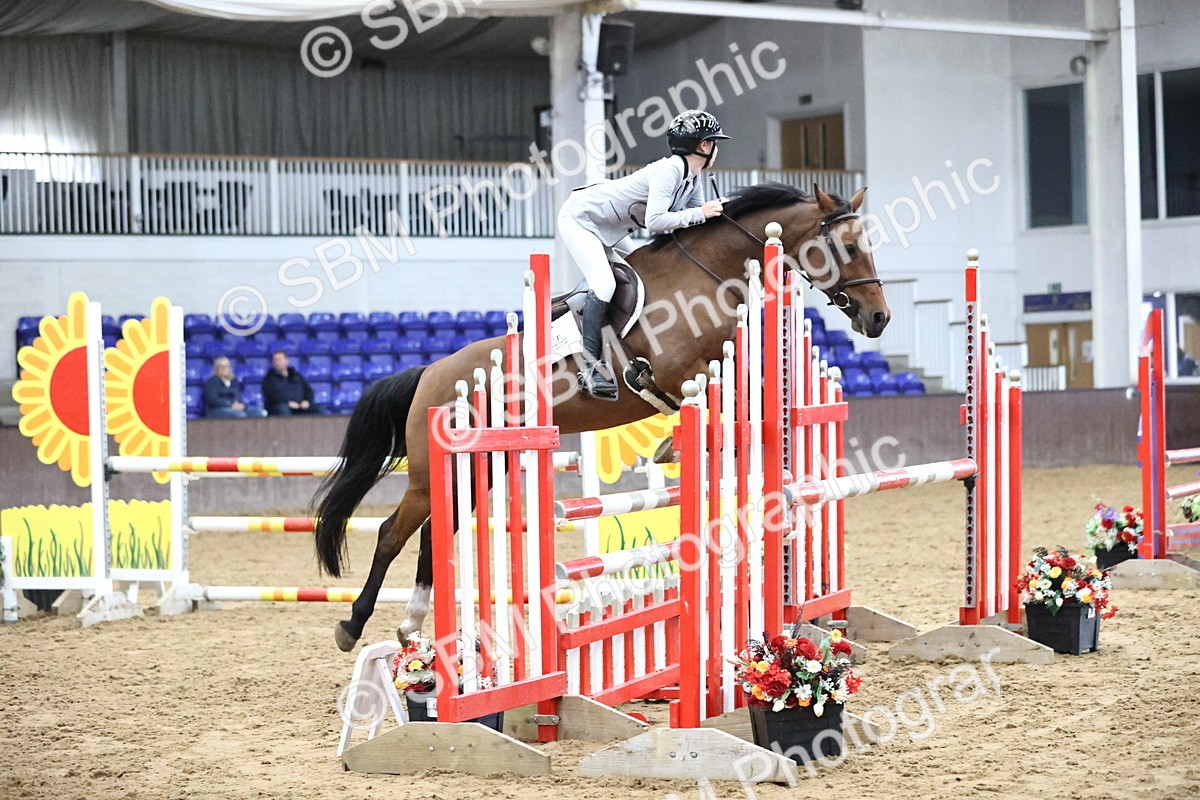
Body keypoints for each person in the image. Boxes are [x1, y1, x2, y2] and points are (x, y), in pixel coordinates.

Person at [557, 109, 730, 399]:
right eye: (714, 142)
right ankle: (590, 367)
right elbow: (656, 222)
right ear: (703, 146)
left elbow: (693, 222)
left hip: (609, 230)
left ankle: (627, 349)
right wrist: (701, 212)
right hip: (581, 219)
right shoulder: (670, 170)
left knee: (643, 275)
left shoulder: (692, 178)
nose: (716, 149)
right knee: (604, 284)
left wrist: (721, 214)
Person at [262, 350, 323, 415]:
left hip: (300, 407)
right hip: (281, 407)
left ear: (286, 361)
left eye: (279, 360)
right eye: (275, 360)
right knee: (283, 408)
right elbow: (271, 397)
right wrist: (287, 402)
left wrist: (307, 401)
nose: (277, 363)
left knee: (318, 408)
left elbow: (309, 391)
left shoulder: (297, 376)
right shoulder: (268, 379)